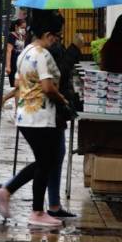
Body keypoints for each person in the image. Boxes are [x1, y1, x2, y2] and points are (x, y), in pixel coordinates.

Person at [0, 12, 68, 228]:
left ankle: (11, 193)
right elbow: (47, 87)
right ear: (47, 34)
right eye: (56, 36)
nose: (57, 40)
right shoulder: (41, 54)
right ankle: (32, 209)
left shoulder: (25, 52)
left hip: (26, 115)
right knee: (46, 162)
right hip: (40, 117)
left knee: (44, 162)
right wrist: (61, 98)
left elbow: (19, 83)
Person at [46, 32, 84, 218]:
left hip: (55, 112)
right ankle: (8, 188)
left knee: (56, 156)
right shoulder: (46, 51)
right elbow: (58, 74)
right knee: (48, 160)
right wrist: (75, 48)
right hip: (51, 111)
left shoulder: (48, 48)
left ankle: (54, 204)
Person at [5, 19, 27, 89]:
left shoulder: (23, 37)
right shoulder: (12, 36)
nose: (23, 30)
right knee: (17, 86)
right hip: (14, 62)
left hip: (22, 62)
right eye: (22, 27)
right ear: (16, 27)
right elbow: (9, 51)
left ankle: (4, 99)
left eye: (24, 28)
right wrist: (8, 66)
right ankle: (4, 99)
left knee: (20, 86)